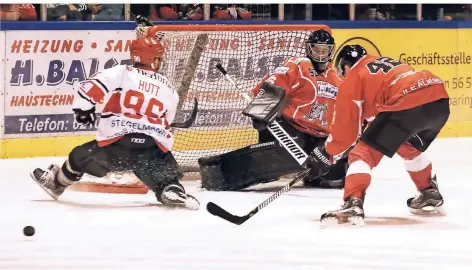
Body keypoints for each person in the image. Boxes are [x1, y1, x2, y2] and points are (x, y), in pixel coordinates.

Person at [30, 37, 200, 210]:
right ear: (153, 59)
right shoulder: (169, 88)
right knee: (161, 171)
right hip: (151, 147)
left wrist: (83, 108)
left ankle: (57, 182)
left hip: (118, 145)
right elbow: (168, 121)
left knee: (79, 156)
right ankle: (171, 189)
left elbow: (90, 87)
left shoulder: (122, 72)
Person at [306, 45, 450, 226]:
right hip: (438, 99)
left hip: (407, 102)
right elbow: (381, 111)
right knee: (408, 146)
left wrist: (326, 153)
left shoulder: (354, 76)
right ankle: (429, 192)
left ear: (346, 67)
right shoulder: (382, 65)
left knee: (361, 153)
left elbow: (346, 132)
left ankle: (353, 202)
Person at [198, 29, 347, 191]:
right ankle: (217, 171)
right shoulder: (298, 66)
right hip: (291, 128)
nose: (320, 54)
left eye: (324, 50)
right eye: (316, 49)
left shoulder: (336, 77)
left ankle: (315, 178)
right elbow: (273, 84)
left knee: (337, 169)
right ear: (309, 49)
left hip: (319, 136)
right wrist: (260, 112)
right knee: (285, 154)